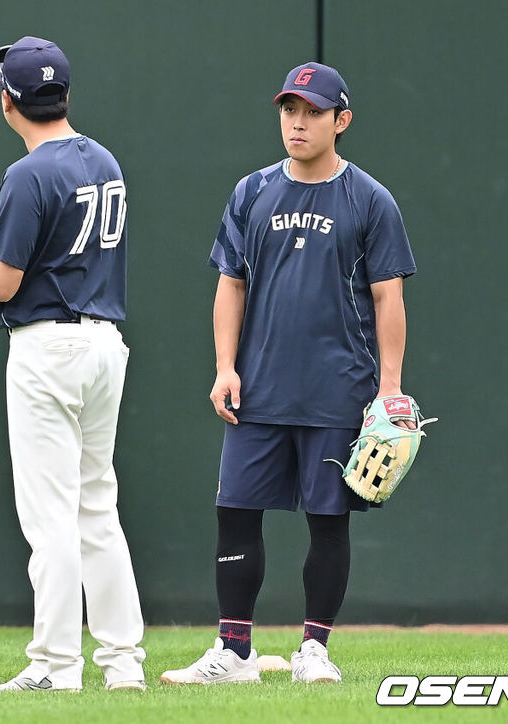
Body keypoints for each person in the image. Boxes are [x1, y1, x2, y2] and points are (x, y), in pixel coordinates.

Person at [161, 62, 418, 686]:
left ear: (341, 120)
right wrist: (225, 366)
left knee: (327, 520)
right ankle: (233, 652)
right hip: (260, 388)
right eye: (289, 111)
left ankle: (314, 651)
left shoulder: (370, 199)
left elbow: (389, 298)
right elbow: (231, 284)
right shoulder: (251, 192)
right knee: (236, 511)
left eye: (312, 112)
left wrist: (389, 389)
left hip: (339, 390)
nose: (298, 123)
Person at [0, 36, 146, 693]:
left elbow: (0, 282)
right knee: (96, 507)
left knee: (51, 516)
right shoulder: (103, 158)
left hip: (49, 348)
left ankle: (55, 666)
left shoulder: (28, 173)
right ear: (65, 94)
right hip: (105, 344)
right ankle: (123, 664)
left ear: (8, 102)